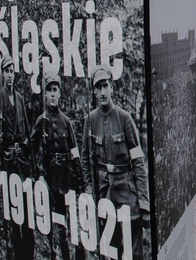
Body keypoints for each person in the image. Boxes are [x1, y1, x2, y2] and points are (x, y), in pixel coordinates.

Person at [81, 66, 150, 259]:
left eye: (105, 86)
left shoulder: (124, 118)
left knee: (133, 251)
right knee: (109, 250)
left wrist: (143, 202)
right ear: (94, 91)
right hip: (104, 195)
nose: (103, 92)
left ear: (111, 87)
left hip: (126, 194)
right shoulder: (90, 120)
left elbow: (138, 162)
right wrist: (88, 189)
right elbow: (85, 158)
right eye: (98, 87)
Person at [31, 72, 84, 260]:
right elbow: (32, 148)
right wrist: (38, 175)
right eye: (49, 90)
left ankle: (73, 255)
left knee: (71, 223)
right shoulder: (42, 121)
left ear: (60, 93)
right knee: (53, 223)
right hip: (50, 180)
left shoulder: (66, 121)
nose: (53, 94)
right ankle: (55, 255)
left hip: (67, 179)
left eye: (55, 90)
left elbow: (74, 152)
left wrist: (81, 183)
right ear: (45, 94)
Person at [0, 55, 34, 260]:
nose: (9, 75)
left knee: (27, 208)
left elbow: (27, 130)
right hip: (8, 161)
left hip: (22, 161)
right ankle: (18, 252)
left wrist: (31, 161)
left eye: (11, 71)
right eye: (6, 71)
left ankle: (28, 252)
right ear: (2, 74)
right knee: (14, 211)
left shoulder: (21, 99)